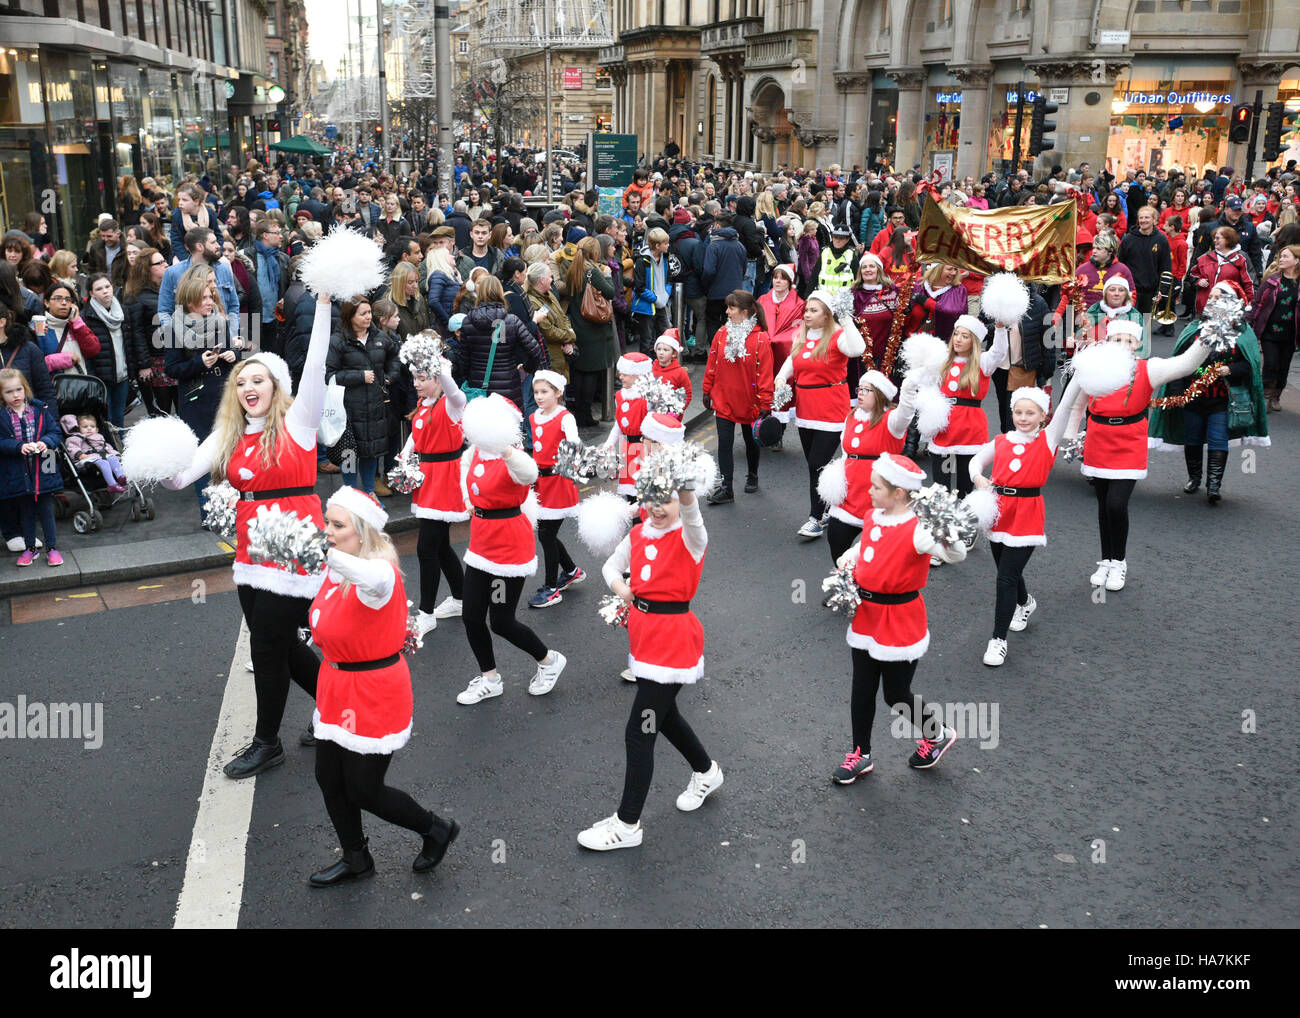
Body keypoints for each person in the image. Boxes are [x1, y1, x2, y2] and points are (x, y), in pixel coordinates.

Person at [165, 291, 333, 777]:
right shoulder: (230, 432)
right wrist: (150, 464)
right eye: (241, 381)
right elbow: (182, 477)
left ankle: (267, 742)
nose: (247, 387)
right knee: (278, 643)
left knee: (266, 647)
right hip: (252, 548)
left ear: (276, 384)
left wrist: (322, 305)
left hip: (295, 545)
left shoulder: (299, 422)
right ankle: (337, 703)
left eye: (258, 379)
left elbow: (318, 362)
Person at [307, 487, 459, 887]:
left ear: (363, 532)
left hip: (374, 690)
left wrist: (316, 550)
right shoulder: (337, 567)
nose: (328, 531)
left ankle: (435, 828)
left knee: (363, 789)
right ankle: (356, 857)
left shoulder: (379, 574)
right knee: (328, 776)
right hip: (336, 685)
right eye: (327, 522)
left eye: (338, 525)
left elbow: (367, 576)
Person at [577, 459, 722, 850]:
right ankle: (706, 772)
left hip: (674, 644)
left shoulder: (692, 537)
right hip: (644, 640)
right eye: (652, 499)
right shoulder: (640, 533)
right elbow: (611, 564)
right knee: (665, 716)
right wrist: (620, 589)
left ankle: (627, 825)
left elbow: (691, 514)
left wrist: (685, 485)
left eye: (667, 500)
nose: (658, 507)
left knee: (639, 731)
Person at [830, 454, 965, 786]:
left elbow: (957, 554)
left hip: (901, 620)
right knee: (861, 688)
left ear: (900, 493)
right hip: (867, 615)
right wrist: (851, 557)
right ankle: (860, 754)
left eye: (876, 486)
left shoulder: (918, 530)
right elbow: (867, 545)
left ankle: (937, 734)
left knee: (895, 694)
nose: (869, 490)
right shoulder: (873, 515)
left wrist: (943, 527)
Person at [1064, 318, 1212, 592]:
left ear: (1138, 344)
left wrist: (1207, 338)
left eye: (1128, 341)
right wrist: (1071, 435)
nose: (1122, 345)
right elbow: (1077, 405)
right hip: (1098, 440)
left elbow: (1186, 364)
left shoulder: (1149, 368)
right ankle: (1105, 560)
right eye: (1116, 340)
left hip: (1129, 441)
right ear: (1108, 342)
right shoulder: (1094, 368)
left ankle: (1119, 561)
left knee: (1117, 505)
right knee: (1103, 505)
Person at [454, 394, 568, 705]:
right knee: (471, 616)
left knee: (501, 622)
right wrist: (469, 503)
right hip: (480, 542)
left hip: (508, 548)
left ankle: (548, 660)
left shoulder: (511, 456)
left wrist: (503, 446)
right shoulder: (476, 453)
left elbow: (530, 475)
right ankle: (490, 678)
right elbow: (465, 471)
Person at [969, 381, 1082, 667]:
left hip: (1028, 514)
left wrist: (1080, 373)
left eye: (1030, 413)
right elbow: (976, 461)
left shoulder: (1047, 439)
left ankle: (998, 640)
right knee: (1008, 571)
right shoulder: (1002, 440)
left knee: (1005, 577)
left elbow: (1067, 404)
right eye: (1018, 412)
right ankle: (1026, 603)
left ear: (1043, 416)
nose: (1023, 418)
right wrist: (978, 478)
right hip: (998, 512)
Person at [1149, 282, 1267, 504]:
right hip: (1193, 395)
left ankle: (1214, 485)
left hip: (1223, 398)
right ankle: (1194, 478)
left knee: (1217, 438)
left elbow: (1249, 366)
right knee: (1192, 438)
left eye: (1217, 296)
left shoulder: (1242, 331)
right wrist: (1177, 392)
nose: (1211, 300)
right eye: (1210, 296)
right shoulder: (1196, 327)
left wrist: (1230, 369)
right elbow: (1179, 361)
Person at [774, 290, 868, 539]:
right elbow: (792, 364)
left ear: (827, 315)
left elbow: (858, 349)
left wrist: (846, 319)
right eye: (807, 310)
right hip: (805, 410)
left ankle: (815, 518)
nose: (807, 314)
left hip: (831, 410)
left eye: (814, 310)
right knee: (816, 466)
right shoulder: (800, 337)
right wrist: (781, 378)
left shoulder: (837, 337)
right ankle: (827, 507)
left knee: (817, 463)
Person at [820, 371, 918, 564]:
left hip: (880, 497)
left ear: (880, 395)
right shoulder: (852, 416)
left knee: (878, 552)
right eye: (860, 389)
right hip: (850, 496)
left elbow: (906, 412)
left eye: (867, 390)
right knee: (837, 541)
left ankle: (871, 588)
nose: (860, 393)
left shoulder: (892, 420)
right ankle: (846, 586)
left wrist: (908, 388)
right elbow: (845, 453)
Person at [925, 312, 1009, 511]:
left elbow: (999, 352)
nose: (958, 340)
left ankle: (964, 526)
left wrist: (1000, 328)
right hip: (944, 426)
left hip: (970, 427)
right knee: (940, 487)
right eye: (956, 334)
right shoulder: (942, 361)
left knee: (965, 486)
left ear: (974, 341)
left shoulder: (982, 362)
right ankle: (941, 527)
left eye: (965, 336)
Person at [702, 290, 773, 502]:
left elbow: (765, 373)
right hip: (724, 399)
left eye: (731, 308)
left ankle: (752, 475)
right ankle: (727, 487)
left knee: (751, 442)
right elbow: (712, 364)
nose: (727, 312)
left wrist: (765, 402)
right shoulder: (721, 334)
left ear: (745, 312)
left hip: (749, 402)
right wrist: (707, 390)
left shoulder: (761, 339)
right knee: (724, 443)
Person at [327, 295, 398, 495]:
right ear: (350, 316)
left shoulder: (381, 338)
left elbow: (395, 359)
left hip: (375, 407)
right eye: (363, 313)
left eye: (369, 313)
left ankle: (369, 493)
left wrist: (390, 377)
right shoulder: (338, 341)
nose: (368, 317)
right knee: (348, 453)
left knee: (371, 452)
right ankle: (350, 492)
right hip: (348, 410)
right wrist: (359, 376)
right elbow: (329, 375)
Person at [527, 370, 585, 608]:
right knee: (546, 534)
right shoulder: (533, 416)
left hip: (558, 483)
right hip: (541, 484)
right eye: (536, 392)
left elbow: (574, 442)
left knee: (546, 535)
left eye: (545, 392)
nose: (539, 396)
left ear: (558, 392)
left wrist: (573, 453)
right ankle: (570, 570)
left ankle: (552, 587)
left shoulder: (565, 417)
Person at [1, 367, 64, 567]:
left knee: (46, 509)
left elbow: (55, 433)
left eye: (18, 390)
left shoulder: (40, 410)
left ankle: (52, 548)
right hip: (18, 471)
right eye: (8, 392)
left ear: (25, 389)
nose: (15, 395)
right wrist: (18, 446)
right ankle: (30, 549)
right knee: (26, 512)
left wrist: (46, 441)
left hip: (45, 465)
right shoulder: (2, 415)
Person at [566, 237, 619, 428]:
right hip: (594, 328)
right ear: (595, 252)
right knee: (591, 374)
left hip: (579, 325)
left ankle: (581, 413)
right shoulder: (592, 272)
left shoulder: (574, 269)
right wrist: (606, 275)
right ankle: (585, 415)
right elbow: (610, 293)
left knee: (581, 372)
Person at [158, 227, 240, 338]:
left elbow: (233, 306)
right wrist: (176, 339)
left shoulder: (223, 269)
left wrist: (232, 336)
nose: (218, 245)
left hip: (222, 339)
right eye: (213, 242)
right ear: (199, 247)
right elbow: (165, 311)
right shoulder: (173, 273)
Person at [80, 273, 134, 429]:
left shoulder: (122, 311)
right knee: (105, 418)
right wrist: (93, 377)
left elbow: (129, 343)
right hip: (101, 377)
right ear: (91, 293)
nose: (105, 291)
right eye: (99, 288)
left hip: (122, 375)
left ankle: (120, 449)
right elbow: (87, 352)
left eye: (107, 286)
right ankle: (109, 450)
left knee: (119, 417)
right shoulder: (87, 316)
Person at [1252, 244, 1300, 411]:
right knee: (1271, 363)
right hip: (1269, 331)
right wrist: (1251, 322)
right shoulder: (1272, 280)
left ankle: (1276, 396)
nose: (1281, 259)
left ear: (1296, 261)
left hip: (1291, 334)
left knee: (1283, 366)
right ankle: (1266, 396)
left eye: (1286, 256)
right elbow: (1258, 303)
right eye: (1281, 256)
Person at [601, 352, 654, 499]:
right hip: (628, 449)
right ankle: (636, 521)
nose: (620, 377)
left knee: (644, 495)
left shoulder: (648, 397)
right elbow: (619, 424)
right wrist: (609, 444)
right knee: (630, 495)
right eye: (621, 373)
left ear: (638, 375)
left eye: (625, 374)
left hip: (645, 449)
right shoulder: (620, 396)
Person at [524, 261, 575, 381]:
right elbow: (548, 331)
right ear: (542, 280)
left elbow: (563, 317)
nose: (552, 279)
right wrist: (570, 336)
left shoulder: (549, 294)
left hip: (561, 354)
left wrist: (568, 339)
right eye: (549, 276)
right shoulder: (532, 301)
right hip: (551, 358)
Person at [1189, 225, 1255, 316]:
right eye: (1214, 238)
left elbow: (1249, 283)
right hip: (1204, 307)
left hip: (1228, 310)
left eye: (1218, 238)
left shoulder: (1241, 259)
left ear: (1228, 239)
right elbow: (1192, 274)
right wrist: (1199, 280)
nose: (1214, 240)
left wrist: (1248, 303)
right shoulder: (1205, 257)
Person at [38, 282, 101, 376]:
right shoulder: (40, 328)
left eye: (68, 299)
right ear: (47, 303)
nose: (64, 303)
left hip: (81, 385)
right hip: (54, 387)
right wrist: (63, 360)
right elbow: (35, 365)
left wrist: (77, 322)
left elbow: (93, 350)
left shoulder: (76, 325)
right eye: (58, 298)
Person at [853, 253, 900, 371]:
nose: (868, 270)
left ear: (879, 269)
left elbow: (900, 318)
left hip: (886, 353)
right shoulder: (854, 294)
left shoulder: (892, 291)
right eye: (864, 267)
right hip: (861, 355)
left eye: (872, 266)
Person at [61, 413, 127, 492]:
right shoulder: (75, 438)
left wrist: (115, 453)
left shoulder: (99, 436)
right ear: (78, 428)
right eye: (85, 427)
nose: (89, 429)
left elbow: (107, 447)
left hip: (101, 455)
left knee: (113, 458)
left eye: (92, 426)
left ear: (96, 429)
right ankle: (112, 484)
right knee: (103, 463)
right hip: (86, 458)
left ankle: (121, 477)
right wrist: (79, 454)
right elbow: (72, 448)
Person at [169, 182, 223, 260]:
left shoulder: (209, 213)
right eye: (179, 199)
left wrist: (218, 252)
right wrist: (186, 259)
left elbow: (218, 236)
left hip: (209, 252)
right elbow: (176, 240)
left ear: (196, 201)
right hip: (185, 254)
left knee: (225, 263)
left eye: (184, 200)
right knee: (177, 265)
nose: (180, 203)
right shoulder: (177, 215)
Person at [651, 331, 691, 414]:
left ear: (674, 353)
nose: (661, 352)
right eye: (659, 349)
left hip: (671, 417)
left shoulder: (680, 372)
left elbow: (687, 394)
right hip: (652, 416)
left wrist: (676, 411)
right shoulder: (651, 369)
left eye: (665, 350)